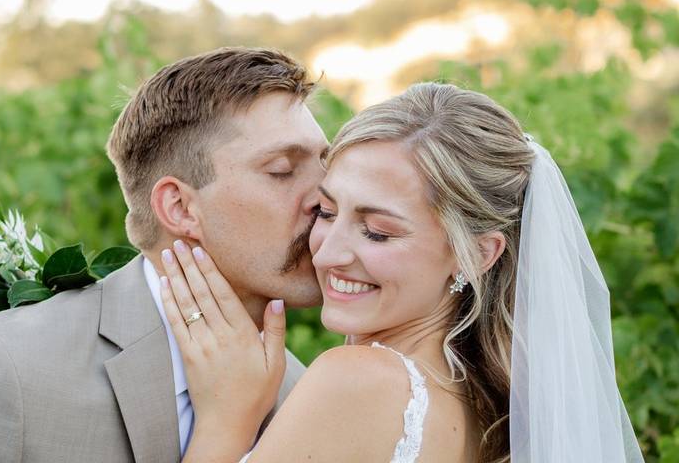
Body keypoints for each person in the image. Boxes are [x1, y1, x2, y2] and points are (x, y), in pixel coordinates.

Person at [0, 47, 330, 462]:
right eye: (283, 170)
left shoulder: (309, 395)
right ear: (179, 207)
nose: (325, 199)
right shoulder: (3, 365)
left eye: (328, 168)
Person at [159, 82, 643, 462]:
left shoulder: (357, 382)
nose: (327, 255)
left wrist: (225, 420)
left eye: (377, 232)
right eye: (326, 213)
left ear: (476, 254)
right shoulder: (487, 407)